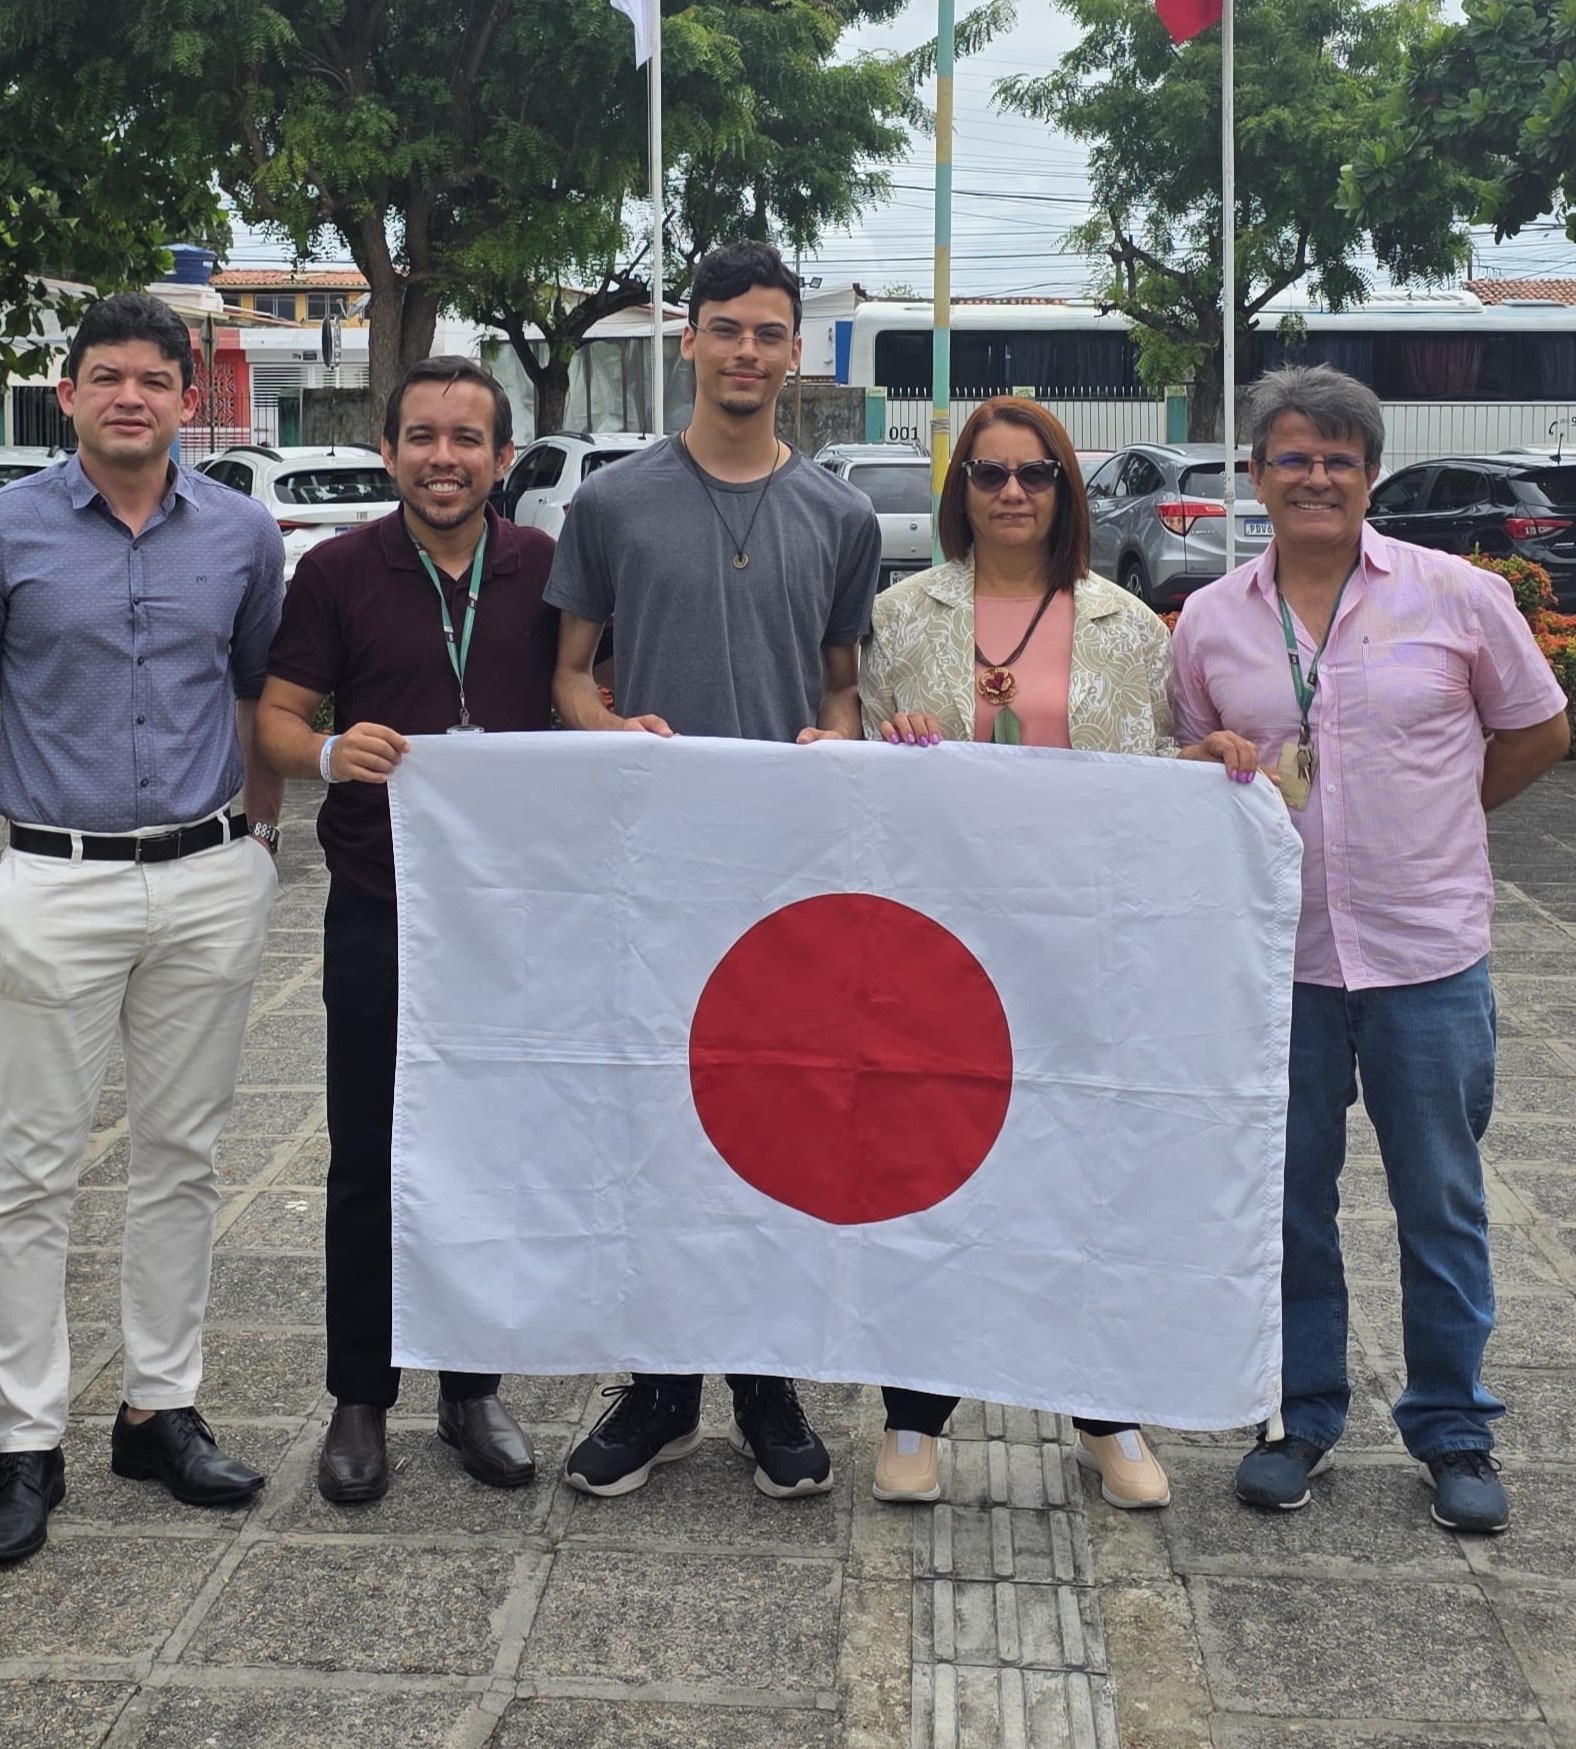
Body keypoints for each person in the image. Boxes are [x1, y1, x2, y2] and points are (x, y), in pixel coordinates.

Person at [0, 292, 287, 1564]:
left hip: (203, 879)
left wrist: (261, 843)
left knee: (183, 1160)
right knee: (28, 1177)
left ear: (191, 399)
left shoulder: (241, 534)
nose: (132, 396)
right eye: (105, 377)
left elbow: (257, 692)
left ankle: (157, 1410)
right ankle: (26, 1444)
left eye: (155, 379)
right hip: (52, 884)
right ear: (66, 394)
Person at [1172, 364, 1572, 1535]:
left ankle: (1453, 1429)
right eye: (1292, 457)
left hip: (1426, 958)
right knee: (1287, 1201)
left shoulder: (1456, 597)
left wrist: (1444, 820)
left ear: (1369, 475)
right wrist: (1210, 764)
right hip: (1278, 964)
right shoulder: (1209, 621)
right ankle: (1300, 1417)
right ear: (1255, 477)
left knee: (1438, 1204)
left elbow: (1538, 728)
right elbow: (1190, 756)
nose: (1316, 477)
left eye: (1338, 459)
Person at [545, 239, 880, 1500]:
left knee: (779, 1124)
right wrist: (607, 733)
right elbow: (570, 677)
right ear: (686, 340)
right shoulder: (614, 504)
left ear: (796, 353)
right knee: (652, 1123)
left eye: (769, 332)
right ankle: (661, 1386)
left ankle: (767, 1378)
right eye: (725, 328)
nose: (747, 351)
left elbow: (844, 694)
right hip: (651, 871)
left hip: (792, 882)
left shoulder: (841, 517)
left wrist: (828, 744)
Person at [855, 394, 1177, 1511]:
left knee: (1083, 1181)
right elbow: (858, 791)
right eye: (988, 474)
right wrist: (886, 752)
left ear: (1064, 490)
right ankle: (912, 1416)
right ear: (960, 493)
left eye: (1033, 474)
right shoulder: (900, 618)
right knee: (931, 1177)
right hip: (938, 950)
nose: (1010, 493)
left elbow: (1158, 788)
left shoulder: (1129, 629)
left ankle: (1104, 1409)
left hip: (1076, 949)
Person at [253, 357, 553, 1500]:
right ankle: (359, 1396)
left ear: (501, 457)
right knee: (369, 1157)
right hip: (381, 906)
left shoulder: (545, 569)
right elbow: (278, 718)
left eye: (467, 439)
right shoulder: (335, 571)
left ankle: (470, 1389)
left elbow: (582, 702)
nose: (444, 457)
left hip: (510, 920)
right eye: (422, 436)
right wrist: (330, 754)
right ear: (389, 452)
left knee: (487, 1155)